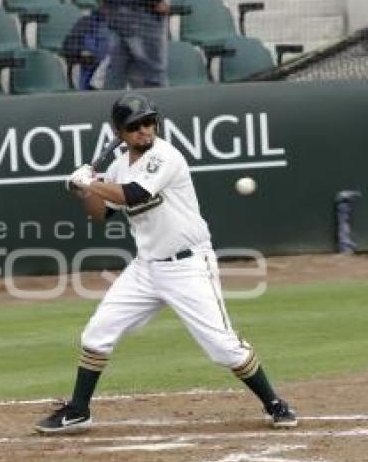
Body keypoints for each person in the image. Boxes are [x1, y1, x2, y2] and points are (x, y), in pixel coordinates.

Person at [34, 93, 297, 434]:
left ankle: (274, 403)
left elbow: (134, 195)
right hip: (147, 267)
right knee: (97, 333)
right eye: (135, 126)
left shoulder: (165, 156)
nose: (144, 130)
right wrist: (84, 191)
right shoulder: (117, 167)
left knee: (223, 347)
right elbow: (101, 215)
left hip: (188, 265)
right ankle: (79, 409)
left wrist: (91, 182)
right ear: (119, 131)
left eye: (149, 122)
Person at [102, 0, 168, 89]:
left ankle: (108, 107)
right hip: (137, 13)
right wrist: (157, 1)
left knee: (116, 71)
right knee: (152, 74)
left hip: (115, 11)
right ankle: (157, 107)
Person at [61, 0, 111, 91]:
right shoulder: (86, 23)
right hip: (92, 85)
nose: (105, 2)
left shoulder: (126, 24)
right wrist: (81, 53)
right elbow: (67, 47)